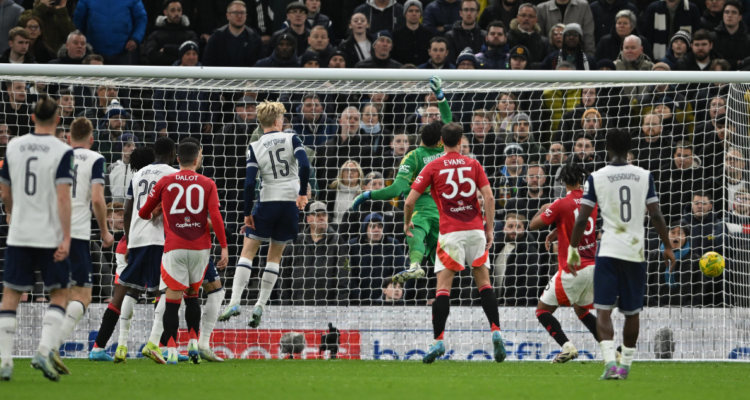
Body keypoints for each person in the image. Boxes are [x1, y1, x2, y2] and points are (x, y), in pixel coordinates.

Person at [569, 128, 674, 380]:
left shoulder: (596, 176)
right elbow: (656, 214)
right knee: (632, 311)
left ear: (606, 147)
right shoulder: (644, 175)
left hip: (608, 251)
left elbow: (583, 217)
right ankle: (625, 365)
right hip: (635, 252)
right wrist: (668, 245)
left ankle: (609, 364)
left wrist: (573, 249)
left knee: (603, 310)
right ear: (630, 149)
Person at [406, 122, 505, 363]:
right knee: (484, 284)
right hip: (475, 230)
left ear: (441, 141)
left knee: (443, 289)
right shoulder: (473, 164)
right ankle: (496, 332)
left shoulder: (432, 165)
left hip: (450, 233)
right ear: (461, 141)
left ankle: (438, 341)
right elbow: (490, 197)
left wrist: (407, 222)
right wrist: (489, 229)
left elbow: (409, 202)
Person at [351, 76, 452, 284]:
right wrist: (440, 96)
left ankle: (415, 265)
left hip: (421, 208)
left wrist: (366, 195)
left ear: (420, 137)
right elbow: (449, 122)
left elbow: (395, 190)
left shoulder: (413, 157)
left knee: (413, 232)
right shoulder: (444, 150)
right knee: (437, 253)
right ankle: (442, 286)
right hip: (443, 210)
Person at [0, 95, 73, 382]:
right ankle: (43, 350)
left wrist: (11, 213)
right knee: (59, 293)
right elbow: (63, 197)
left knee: (10, 295)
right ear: (57, 120)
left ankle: (5, 361)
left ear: (32, 118)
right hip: (49, 233)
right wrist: (67, 237)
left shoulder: (13, 146)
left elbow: (5, 191)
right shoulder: (61, 149)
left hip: (19, 232)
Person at [219, 101, 310, 328]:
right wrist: (301, 194)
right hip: (289, 203)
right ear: (278, 121)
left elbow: (249, 184)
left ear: (260, 122)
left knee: (248, 252)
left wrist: (246, 213)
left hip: (267, 201)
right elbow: (305, 166)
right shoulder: (291, 138)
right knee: (274, 257)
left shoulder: (255, 145)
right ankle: (260, 303)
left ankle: (235, 301)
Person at [138, 141, 228, 365]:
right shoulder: (208, 183)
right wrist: (224, 246)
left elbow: (143, 213)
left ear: (177, 159)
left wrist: (156, 211)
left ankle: (170, 350)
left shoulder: (166, 181)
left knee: (172, 299)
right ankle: (194, 344)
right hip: (200, 248)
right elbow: (215, 217)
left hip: (174, 246)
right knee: (193, 296)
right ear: (197, 159)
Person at [88, 138, 178, 362]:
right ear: (173, 153)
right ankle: (162, 346)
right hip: (159, 239)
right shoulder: (172, 175)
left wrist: (128, 238)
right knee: (165, 292)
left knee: (125, 290)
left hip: (136, 239)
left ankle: (100, 347)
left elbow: (127, 210)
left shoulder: (137, 175)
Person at [48, 117, 114, 373]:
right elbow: (97, 199)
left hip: (50, 231)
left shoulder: (57, 157)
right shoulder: (95, 158)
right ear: (92, 139)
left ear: (68, 138)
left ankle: (46, 345)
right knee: (82, 295)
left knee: (59, 294)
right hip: (75, 233)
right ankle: (51, 346)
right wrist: (105, 231)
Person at [527, 161, 600, 363]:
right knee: (581, 309)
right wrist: (556, 232)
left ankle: (567, 347)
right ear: (580, 180)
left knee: (542, 310)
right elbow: (576, 224)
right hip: (593, 265)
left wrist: (544, 207)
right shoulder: (591, 202)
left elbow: (533, 225)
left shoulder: (560, 203)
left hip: (572, 267)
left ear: (563, 181)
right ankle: (611, 350)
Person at [280, 201, 344, 305]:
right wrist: (286, 305)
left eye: (324, 215)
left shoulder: (337, 241)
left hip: (327, 308)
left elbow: (344, 276)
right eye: (317, 215)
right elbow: (284, 276)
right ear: (308, 219)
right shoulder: (296, 242)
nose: (321, 218)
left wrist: (339, 308)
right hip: (297, 306)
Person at [73, 0, 147, 65]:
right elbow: (78, 21)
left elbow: (141, 19)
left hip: (123, 53)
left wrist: (135, 39)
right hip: (93, 54)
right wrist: (83, 43)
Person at [202, 1, 264, 67]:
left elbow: (261, 66)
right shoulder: (216, 38)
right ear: (227, 16)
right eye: (235, 12)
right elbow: (207, 65)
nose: (239, 16)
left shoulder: (255, 39)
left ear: (246, 16)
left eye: (242, 13)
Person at [145, 0, 199, 66]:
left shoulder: (190, 35)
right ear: (165, 12)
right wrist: (181, 55)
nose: (176, 13)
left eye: (179, 10)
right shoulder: (155, 35)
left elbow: (193, 55)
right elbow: (151, 56)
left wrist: (166, 48)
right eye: (173, 10)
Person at [391, 0, 434, 66]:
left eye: (417, 11)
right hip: (401, 73)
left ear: (421, 14)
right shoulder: (396, 35)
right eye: (410, 11)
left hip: (424, 73)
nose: (414, 14)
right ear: (405, 14)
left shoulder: (429, 35)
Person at [444, 0, 486, 64]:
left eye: (472, 10)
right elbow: (450, 61)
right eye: (466, 10)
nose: (469, 13)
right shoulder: (450, 36)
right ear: (460, 13)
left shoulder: (485, 36)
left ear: (478, 13)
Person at [713, 0, 750, 69]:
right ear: (723, 15)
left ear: (740, 17)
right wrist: (735, 63)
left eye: (734, 13)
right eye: (726, 12)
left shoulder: (748, 40)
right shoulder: (713, 38)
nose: (729, 15)